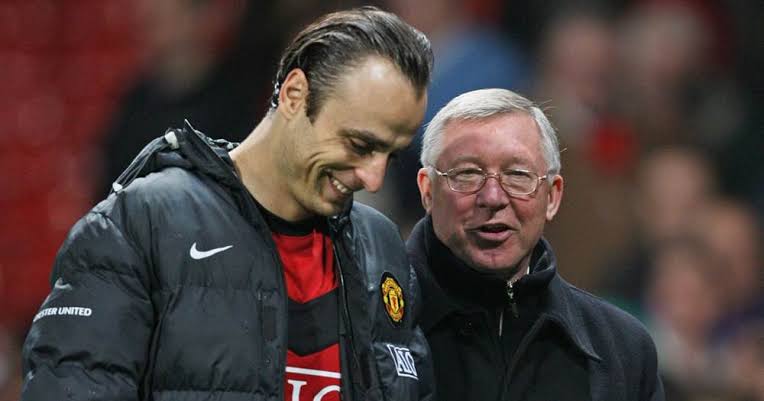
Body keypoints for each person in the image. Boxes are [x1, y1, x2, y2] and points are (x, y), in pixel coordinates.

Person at [21, 7, 434, 401]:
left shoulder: (380, 246)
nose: (373, 179)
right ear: (294, 94)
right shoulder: (142, 224)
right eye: (359, 144)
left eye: (391, 156)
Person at [406, 88, 665, 401]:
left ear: (552, 197)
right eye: (468, 174)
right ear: (428, 191)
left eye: (517, 175)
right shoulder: (371, 320)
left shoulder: (620, 348)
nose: (493, 197)